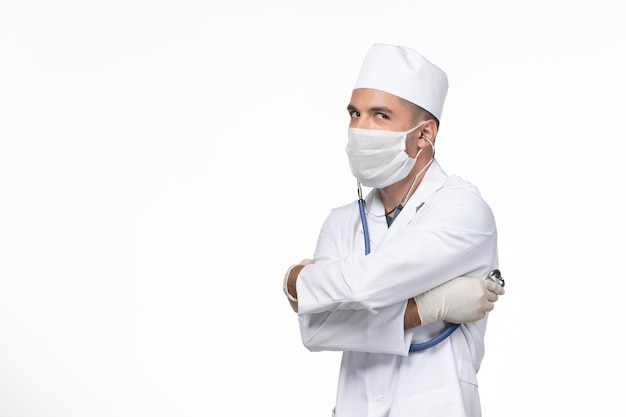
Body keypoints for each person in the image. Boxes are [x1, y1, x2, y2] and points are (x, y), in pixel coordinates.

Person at [282, 43, 505, 417]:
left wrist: (296, 281)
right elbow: (316, 331)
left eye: (380, 115)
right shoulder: (341, 221)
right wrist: (425, 309)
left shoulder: (462, 210)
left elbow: (366, 284)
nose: (360, 128)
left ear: (424, 133)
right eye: (355, 113)